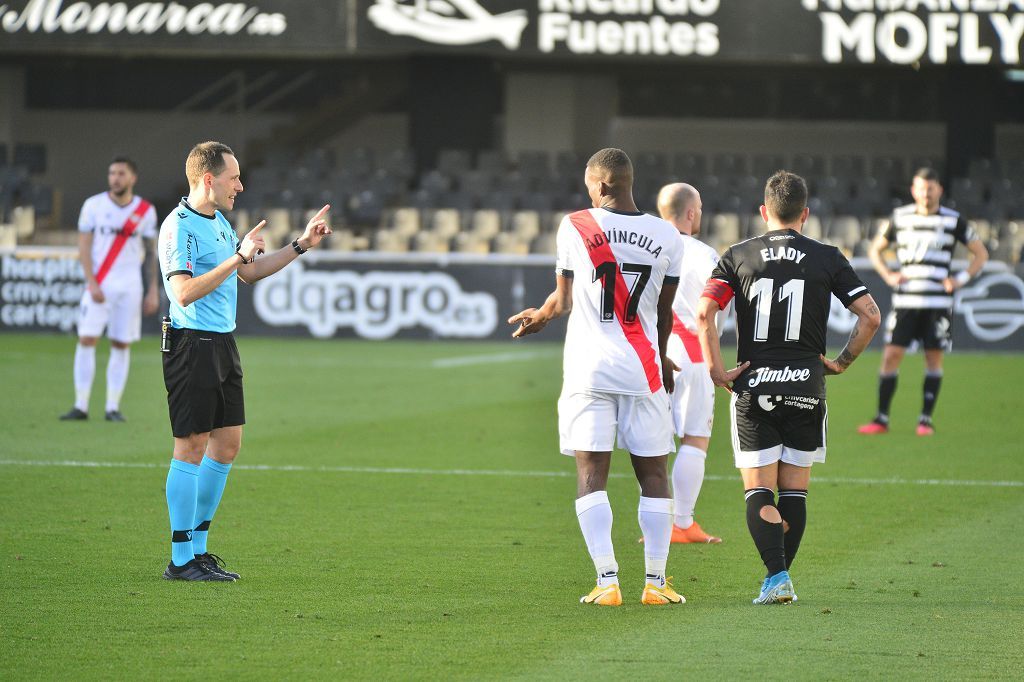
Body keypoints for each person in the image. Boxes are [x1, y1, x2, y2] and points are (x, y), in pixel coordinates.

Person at [508, 148, 686, 606]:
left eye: (589, 182)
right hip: (643, 370)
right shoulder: (667, 236)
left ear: (602, 185)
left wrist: (540, 316)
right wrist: (663, 359)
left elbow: (563, 302)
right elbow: (664, 314)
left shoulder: (576, 225)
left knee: (591, 474)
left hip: (589, 370)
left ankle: (607, 582)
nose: (587, 189)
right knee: (653, 474)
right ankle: (657, 584)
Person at [696, 171, 880, 604]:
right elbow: (870, 315)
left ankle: (777, 578)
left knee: (757, 488)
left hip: (754, 387)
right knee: (794, 490)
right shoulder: (827, 256)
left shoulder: (737, 255)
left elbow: (705, 313)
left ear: (764, 212)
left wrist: (717, 371)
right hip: (806, 386)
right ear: (806, 214)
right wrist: (841, 363)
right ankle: (778, 579)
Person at [158, 141, 331, 581]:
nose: (241, 185)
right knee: (191, 447)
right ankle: (180, 560)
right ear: (209, 178)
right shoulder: (178, 228)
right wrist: (237, 256)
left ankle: (199, 550)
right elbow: (183, 292)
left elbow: (248, 273)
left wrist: (301, 244)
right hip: (191, 344)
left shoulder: (218, 221)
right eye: (234, 177)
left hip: (222, 344)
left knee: (228, 444)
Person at [858, 167, 989, 436]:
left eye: (930, 188)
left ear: (939, 189)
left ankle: (925, 420)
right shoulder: (900, 217)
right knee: (891, 356)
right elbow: (875, 250)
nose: (925, 193)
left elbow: (980, 254)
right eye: (920, 188)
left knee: (933, 359)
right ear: (913, 190)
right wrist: (888, 275)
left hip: (938, 303)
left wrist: (960, 279)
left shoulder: (953, 220)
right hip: (906, 301)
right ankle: (881, 418)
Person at [60, 157, 159, 422]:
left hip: (129, 286)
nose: (115, 178)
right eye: (112, 173)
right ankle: (80, 405)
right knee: (87, 338)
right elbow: (84, 246)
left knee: (121, 343)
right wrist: (91, 281)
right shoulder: (93, 206)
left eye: (121, 173)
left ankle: (112, 407)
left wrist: (152, 289)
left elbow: (151, 253)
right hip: (99, 284)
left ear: (132, 178)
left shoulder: (145, 210)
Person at [654, 182, 722, 544]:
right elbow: (714, 309)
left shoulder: (645, 246)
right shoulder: (704, 254)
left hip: (652, 354)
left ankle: (656, 526)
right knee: (695, 438)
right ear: (691, 212)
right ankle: (682, 523)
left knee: (653, 443)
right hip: (693, 354)